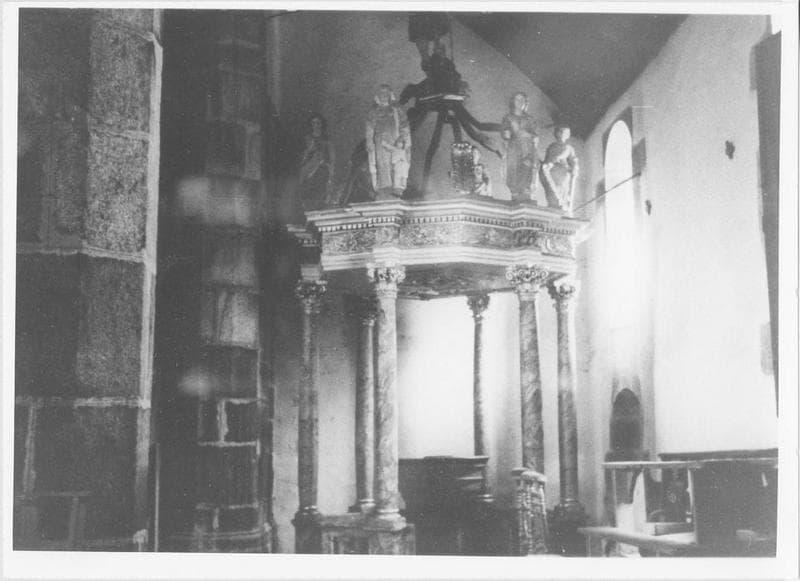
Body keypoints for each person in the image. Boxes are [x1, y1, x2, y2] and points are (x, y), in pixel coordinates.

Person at [366, 85, 411, 196]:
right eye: (381, 93)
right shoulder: (373, 111)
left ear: (390, 94)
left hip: (395, 139)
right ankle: (384, 187)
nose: (384, 95)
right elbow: (369, 128)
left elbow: (404, 124)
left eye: (386, 93)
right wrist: (369, 141)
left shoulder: (397, 109)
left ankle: (397, 187)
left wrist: (402, 137)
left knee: (397, 162)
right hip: (380, 141)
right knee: (382, 163)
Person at [501, 92, 539, 200]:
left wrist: (529, 136)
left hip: (527, 147)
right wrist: (506, 133)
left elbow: (535, 134)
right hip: (514, 146)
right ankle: (515, 191)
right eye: (517, 99)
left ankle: (526, 191)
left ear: (526, 103)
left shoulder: (530, 119)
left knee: (527, 167)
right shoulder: (508, 117)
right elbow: (505, 133)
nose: (519, 102)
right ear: (513, 102)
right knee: (514, 168)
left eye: (522, 100)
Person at [297, 113, 335, 210]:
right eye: (313, 123)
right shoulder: (307, 138)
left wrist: (328, 166)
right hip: (309, 167)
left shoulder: (326, 139)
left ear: (321, 124)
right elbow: (303, 157)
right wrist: (309, 149)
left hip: (322, 167)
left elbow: (331, 156)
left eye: (318, 123)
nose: (315, 125)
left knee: (320, 187)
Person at [540, 125, 579, 214]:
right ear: (556, 133)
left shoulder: (569, 148)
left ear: (568, 135)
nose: (562, 134)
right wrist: (548, 164)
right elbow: (548, 158)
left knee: (563, 190)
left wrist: (574, 168)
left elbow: (573, 160)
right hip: (553, 171)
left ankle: (562, 205)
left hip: (563, 173)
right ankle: (554, 205)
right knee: (552, 190)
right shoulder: (552, 146)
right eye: (560, 131)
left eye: (564, 132)